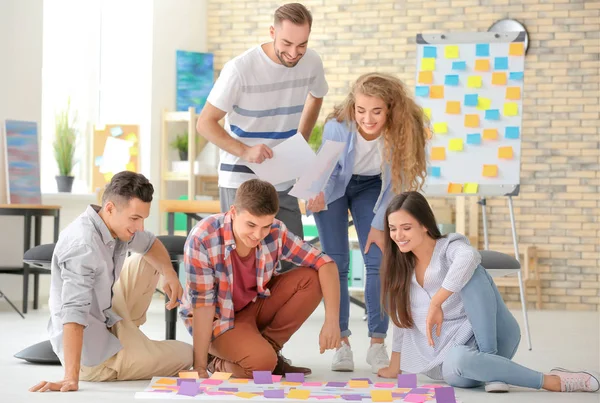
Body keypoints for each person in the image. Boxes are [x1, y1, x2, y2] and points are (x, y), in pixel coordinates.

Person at [377, 191, 600, 394]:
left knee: (472, 270)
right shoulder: (400, 269)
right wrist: (395, 366)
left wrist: (437, 301)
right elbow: (402, 323)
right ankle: (521, 375)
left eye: (406, 227)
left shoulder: (449, 247)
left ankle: (502, 362)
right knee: (459, 359)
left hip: (495, 335)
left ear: (425, 224)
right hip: (457, 363)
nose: (398, 235)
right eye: (393, 228)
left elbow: (469, 257)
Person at [307, 72, 428, 373]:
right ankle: (342, 343)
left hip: (374, 187)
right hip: (334, 186)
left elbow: (396, 182)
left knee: (378, 259)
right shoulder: (338, 125)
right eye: (361, 110)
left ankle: (377, 342)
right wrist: (317, 192)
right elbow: (327, 168)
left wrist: (378, 224)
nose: (368, 119)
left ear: (389, 108)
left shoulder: (402, 131)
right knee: (335, 262)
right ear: (353, 107)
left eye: (376, 111)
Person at [30, 172, 192, 393]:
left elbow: (150, 243)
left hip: (106, 316)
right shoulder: (83, 245)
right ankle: (130, 350)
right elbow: (73, 313)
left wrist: (169, 273)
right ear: (109, 208)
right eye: (135, 219)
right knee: (187, 354)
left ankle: (132, 338)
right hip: (97, 358)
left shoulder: (116, 225)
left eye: (143, 218)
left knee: (144, 261)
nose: (140, 226)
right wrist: (70, 378)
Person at [196, 2, 328, 248]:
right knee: (241, 259)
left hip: (283, 175)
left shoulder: (311, 63)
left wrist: (301, 140)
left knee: (291, 258)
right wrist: (245, 151)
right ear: (272, 32)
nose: (293, 53)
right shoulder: (240, 69)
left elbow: (317, 95)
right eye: (286, 44)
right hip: (240, 179)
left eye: (302, 45)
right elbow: (205, 124)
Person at [179, 179, 341, 378]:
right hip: (216, 320)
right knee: (261, 365)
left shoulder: (276, 231)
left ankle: (269, 352)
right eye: (251, 224)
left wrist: (332, 321)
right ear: (233, 212)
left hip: (254, 306)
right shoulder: (203, 238)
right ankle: (217, 363)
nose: (258, 234)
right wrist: (200, 366)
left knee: (311, 278)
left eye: (265, 226)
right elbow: (203, 306)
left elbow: (326, 263)